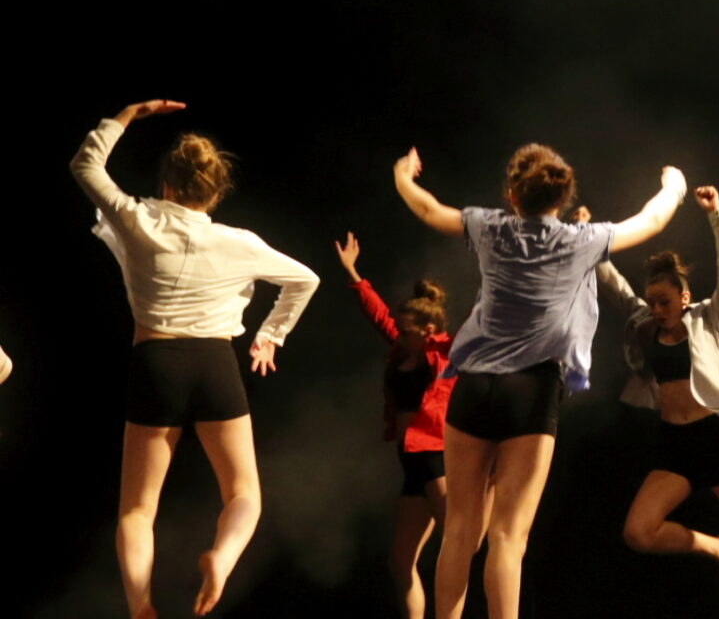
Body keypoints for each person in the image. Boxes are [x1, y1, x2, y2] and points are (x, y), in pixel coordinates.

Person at [392, 143, 685, 619]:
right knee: (508, 537)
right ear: (563, 198)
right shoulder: (581, 239)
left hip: (475, 386)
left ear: (512, 195)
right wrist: (673, 184)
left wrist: (403, 177)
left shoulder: (489, 227)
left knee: (461, 529)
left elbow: (429, 209)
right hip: (531, 390)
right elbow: (651, 221)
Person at [73, 99, 320, 617]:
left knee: (138, 512)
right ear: (214, 194)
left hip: (155, 364)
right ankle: (222, 561)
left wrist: (126, 116)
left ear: (168, 185)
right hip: (215, 365)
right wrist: (270, 335)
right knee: (244, 495)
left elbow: (85, 166)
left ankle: (141, 608)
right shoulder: (238, 242)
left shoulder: (136, 219)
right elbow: (305, 279)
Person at [581, 188, 719, 582]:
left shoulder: (709, 319)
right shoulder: (644, 324)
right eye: (652, 303)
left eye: (664, 302)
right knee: (638, 533)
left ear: (684, 298)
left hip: (714, 437)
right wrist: (587, 238)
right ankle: (715, 546)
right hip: (675, 444)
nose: (656, 310)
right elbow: (615, 286)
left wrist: (716, 215)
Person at [334, 231, 459, 618]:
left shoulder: (447, 352)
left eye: (407, 330)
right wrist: (353, 273)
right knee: (401, 562)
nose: (398, 334)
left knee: (457, 549)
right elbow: (379, 315)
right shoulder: (400, 348)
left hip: (437, 456)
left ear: (427, 332)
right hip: (411, 464)